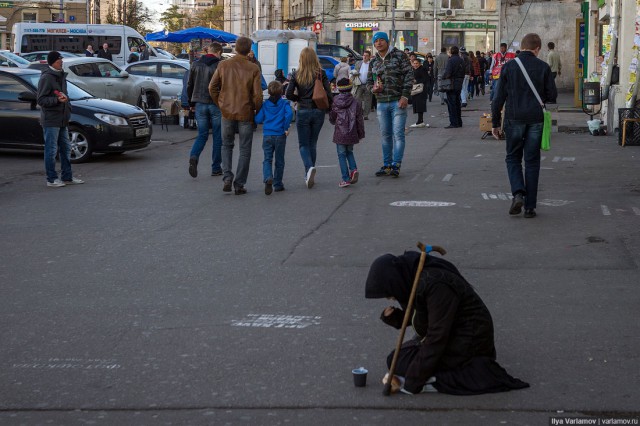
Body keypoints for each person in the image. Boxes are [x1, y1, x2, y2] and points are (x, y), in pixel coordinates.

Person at [365, 250, 530, 395]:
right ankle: (427, 375)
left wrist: (413, 381)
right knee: (396, 359)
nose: (390, 298)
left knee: (403, 363)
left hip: (470, 341)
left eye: (389, 293)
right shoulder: (413, 278)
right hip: (453, 333)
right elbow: (424, 316)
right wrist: (396, 318)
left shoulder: (436, 285)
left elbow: (437, 334)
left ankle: (434, 382)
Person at [491, 33, 557, 219]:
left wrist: (495, 123)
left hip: (513, 118)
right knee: (532, 161)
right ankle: (530, 207)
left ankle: (518, 193)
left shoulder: (509, 67)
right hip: (536, 118)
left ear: (523, 46)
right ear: (537, 49)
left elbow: (498, 99)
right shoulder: (543, 67)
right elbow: (552, 95)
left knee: (512, 158)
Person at [209, 36, 263, 195]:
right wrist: (256, 111)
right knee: (245, 149)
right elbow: (258, 96)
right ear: (249, 50)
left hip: (227, 112)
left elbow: (212, 88)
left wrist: (221, 104)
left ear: (236, 48)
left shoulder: (223, 64)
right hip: (246, 113)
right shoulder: (253, 68)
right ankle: (239, 184)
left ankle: (227, 177)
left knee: (227, 145)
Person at [366, 31, 413, 178]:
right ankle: (387, 165)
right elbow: (368, 82)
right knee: (385, 135)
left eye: (381, 40)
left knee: (398, 134)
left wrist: (405, 96)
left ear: (387, 41)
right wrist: (373, 89)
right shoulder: (373, 61)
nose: (378, 43)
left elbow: (409, 76)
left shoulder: (399, 55)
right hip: (381, 103)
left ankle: (396, 164)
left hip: (397, 101)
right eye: (376, 41)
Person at [285, 47, 333, 189]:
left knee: (303, 144)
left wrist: (298, 98)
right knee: (313, 143)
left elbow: (288, 94)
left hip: (303, 110)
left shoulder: (296, 74)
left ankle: (309, 169)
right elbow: (329, 94)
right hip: (318, 110)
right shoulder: (321, 73)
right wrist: (327, 107)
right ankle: (309, 171)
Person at [37, 51, 84, 188]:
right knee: (51, 150)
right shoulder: (47, 77)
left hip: (62, 118)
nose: (61, 62)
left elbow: (64, 95)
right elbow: (41, 99)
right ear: (52, 62)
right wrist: (57, 100)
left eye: (61, 60)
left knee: (66, 148)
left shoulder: (60, 75)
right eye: (59, 60)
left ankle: (67, 176)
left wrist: (66, 105)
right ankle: (51, 179)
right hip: (51, 119)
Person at [187, 43, 224, 178]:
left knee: (202, 134)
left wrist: (191, 104)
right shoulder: (219, 65)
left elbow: (189, 85)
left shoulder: (196, 64)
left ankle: (194, 156)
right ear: (218, 52)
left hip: (199, 103)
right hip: (215, 104)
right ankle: (216, 167)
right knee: (217, 136)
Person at [255, 80, 293, 195]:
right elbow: (289, 114)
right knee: (279, 160)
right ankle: (278, 184)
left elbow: (258, 119)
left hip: (267, 135)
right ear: (281, 91)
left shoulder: (265, 104)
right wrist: (285, 127)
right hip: (280, 135)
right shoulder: (284, 104)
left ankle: (268, 177)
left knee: (267, 159)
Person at [329, 78, 365, 188]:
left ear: (339, 89)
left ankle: (345, 178)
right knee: (349, 152)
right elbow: (359, 119)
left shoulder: (335, 101)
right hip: (352, 131)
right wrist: (361, 133)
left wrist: (332, 120)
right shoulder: (355, 101)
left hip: (340, 132)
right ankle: (353, 170)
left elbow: (332, 117)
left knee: (341, 155)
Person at [442, 46, 465, 129]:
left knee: (451, 104)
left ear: (451, 51)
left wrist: (443, 77)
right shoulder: (461, 60)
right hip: (459, 83)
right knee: (457, 102)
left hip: (452, 83)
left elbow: (448, 72)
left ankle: (453, 122)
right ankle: (459, 122)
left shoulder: (451, 60)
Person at [353, 50, 373, 120]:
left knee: (368, 100)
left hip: (368, 84)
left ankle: (365, 114)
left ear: (369, 57)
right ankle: (359, 112)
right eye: (364, 55)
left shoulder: (371, 64)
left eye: (366, 56)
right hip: (359, 84)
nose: (364, 57)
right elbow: (354, 71)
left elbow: (374, 74)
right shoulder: (358, 63)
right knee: (357, 99)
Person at [409, 58, 428, 128]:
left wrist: (416, 81)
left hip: (421, 90)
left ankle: (420, 121)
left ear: (420, 63)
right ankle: (420, 120)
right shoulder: (414, 69)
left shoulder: (422, 69)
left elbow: (425, 79)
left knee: (420, 105)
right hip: (417, 90)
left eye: (417, 63)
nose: (415, 65)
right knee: (418, 105)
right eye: (414, 63)